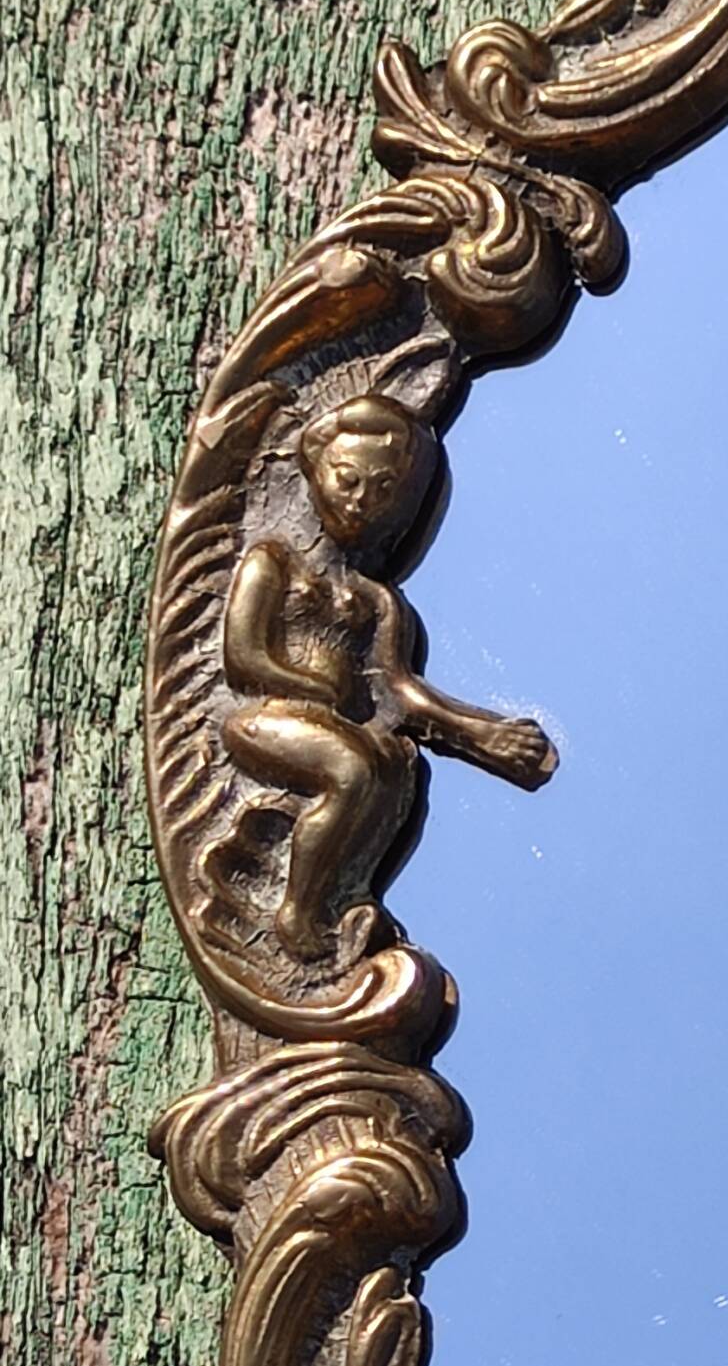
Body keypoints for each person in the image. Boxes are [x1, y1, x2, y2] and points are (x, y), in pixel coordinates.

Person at [212, 390, 552, 957]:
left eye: (383, 489)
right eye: (348, 481)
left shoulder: (374, 600)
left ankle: (340, 896)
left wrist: (480, 734)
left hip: (335, 729)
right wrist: (310, 686)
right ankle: (296, 911)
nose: (361, 501)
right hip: (265, 720)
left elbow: (400, 692)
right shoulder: (273, 562)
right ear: (316, 471)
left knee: (394, 769)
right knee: (351, 768)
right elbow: (242, 657)